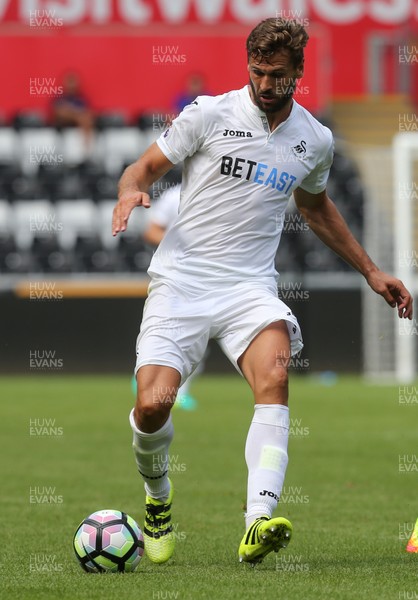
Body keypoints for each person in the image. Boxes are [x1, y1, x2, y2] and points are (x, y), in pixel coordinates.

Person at [112, 18, 413, 567]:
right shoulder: (208, 114)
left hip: (250, 287)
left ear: (298, 70)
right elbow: (144, 167)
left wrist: (371, 270)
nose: (265, 83)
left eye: (277, 74)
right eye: (257, 71)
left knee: (275, 375)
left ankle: (258, 520)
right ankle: (158, 500)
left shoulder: (314, 139)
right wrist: (130, 192)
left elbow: (315, 207)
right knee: (153, 407)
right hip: (181, 282)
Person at [141, 182, 199, 411]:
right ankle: (153, 383)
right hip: (175, 275)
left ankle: (176, 392)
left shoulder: (226, 188)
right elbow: (152, 230)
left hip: (208, 275)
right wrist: (181, 245)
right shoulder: (174, 195)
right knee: (170, 334)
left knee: (196, 339)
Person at [51, 72, 94, 150]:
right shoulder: (60, 97)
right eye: (70, 83)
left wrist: (73, 112)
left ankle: (87, 147)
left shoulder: (80, 98)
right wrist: (75, 114)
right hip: (63, 122)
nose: (72, 86)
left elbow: (88, 112)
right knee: (79, 116)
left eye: (73, 83)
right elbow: (59, 112)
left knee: (85, 118)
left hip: (78, 122)